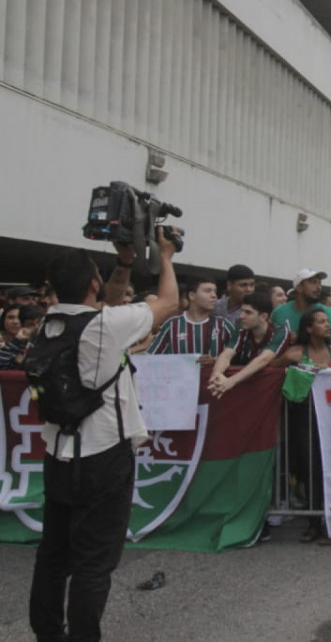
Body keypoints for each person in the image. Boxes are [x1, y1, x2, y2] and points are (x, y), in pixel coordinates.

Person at [29, 231, 180, 642]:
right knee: (93, 565)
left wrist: (125, 263)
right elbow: (168, 303)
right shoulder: (106, 326)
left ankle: (47, 634)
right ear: (93, 284)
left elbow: (107, 302)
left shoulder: (52, 322)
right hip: (103, 458)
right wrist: (164, 256)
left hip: (58, 453)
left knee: (53, 557)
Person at [272, 308, 331, 544]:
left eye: (328, 321)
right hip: (305, 418)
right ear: (309, 328)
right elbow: (271, 370)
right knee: (310, 468)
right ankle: (314, 522)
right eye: (322, 322)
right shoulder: (295, 353)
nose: (328, 325)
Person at [208, 291, 288, 398]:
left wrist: (231, 381)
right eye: (242, 311)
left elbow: (263, 359)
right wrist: (216, 375)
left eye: (248, 312)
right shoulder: (241, 328)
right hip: (246, 392)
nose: (241, 316)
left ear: (263, 316)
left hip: (270, 394)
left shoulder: (280, 332)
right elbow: (227, 354)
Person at [146, 277, 235, 365]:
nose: (214, 296)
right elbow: (153, 357)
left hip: (212, 379)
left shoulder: (224, 325)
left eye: (215, 291)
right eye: (208, 291)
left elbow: (238, 359)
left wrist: (216, 361)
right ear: (192, 295)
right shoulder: (172, 324)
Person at [272, 269, 331, 344]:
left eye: (319, 283)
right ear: (299, 287)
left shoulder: (330, 314)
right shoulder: (279, 312)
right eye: (313, 282)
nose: (319, 287)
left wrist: (302, 338)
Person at [0, 305, 43, 370]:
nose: (36, 327)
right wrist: (17, 341)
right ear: (22, 326)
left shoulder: (48, 344)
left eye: (39, 323)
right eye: (31, 324)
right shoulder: (16, 345)